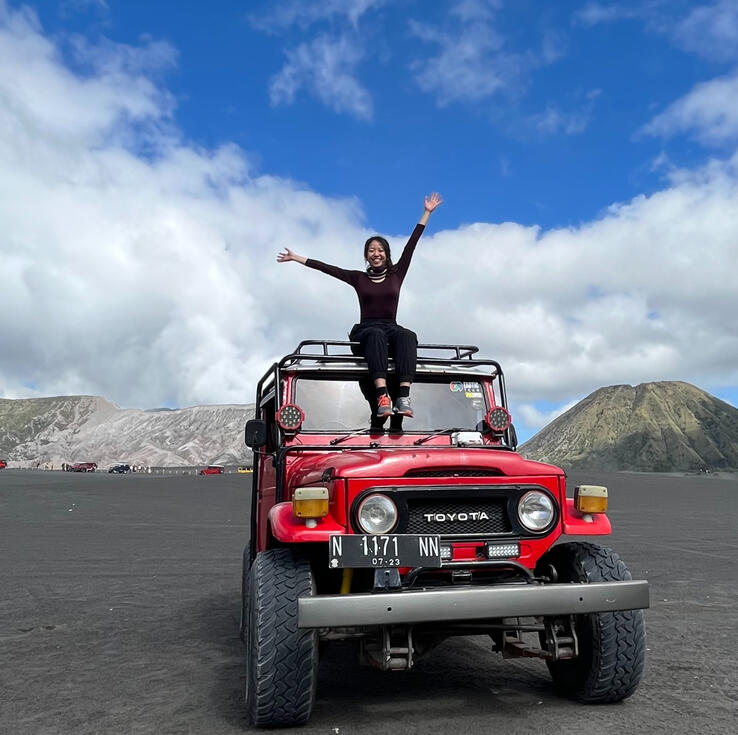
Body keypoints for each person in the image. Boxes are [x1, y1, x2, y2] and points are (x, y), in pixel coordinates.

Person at [277, 192, 443, 423]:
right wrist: (298, 258)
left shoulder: (397, 274)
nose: (376, 254)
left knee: (408, 336)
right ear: (366, 256)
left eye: (380, 250)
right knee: (375, 335)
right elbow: (328, 268)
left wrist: (427, 212)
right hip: (366, 329)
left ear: (387, 255)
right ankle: (382, 396)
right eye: (371, 250)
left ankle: (403, 396)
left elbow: (412, 244)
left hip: (391, 327)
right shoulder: (358, 278)